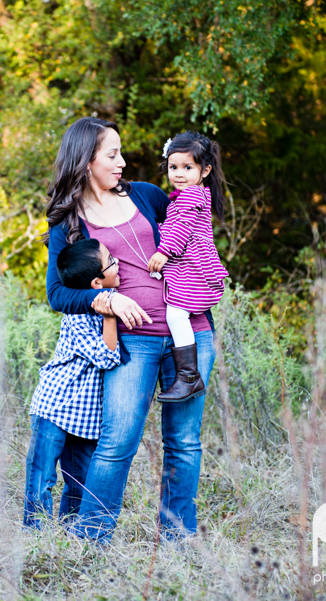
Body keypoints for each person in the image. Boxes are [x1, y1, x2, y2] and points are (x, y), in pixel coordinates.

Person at [44, 116, 217, 542]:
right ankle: (90, 539)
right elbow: (57, 294)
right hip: (132, 342)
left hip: (190, 334)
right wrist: (107, 299)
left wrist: (202, 280)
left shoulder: (150, 196)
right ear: (86, 161)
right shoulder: (68, 223)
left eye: (120, 152)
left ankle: (179, 540)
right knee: (118, 442)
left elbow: (192, 233)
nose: (122, 161)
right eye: (112, 154)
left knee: (185, 442)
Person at [24, 238, 121, 529]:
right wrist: (110, 317)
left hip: (86, 417)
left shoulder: (112, 295)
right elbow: (107, 357)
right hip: (55, 407)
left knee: (79, 483)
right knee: (42, 476)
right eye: (111, 262)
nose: (118, 263)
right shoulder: (77, 316)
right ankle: (35, 536)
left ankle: (69, 539)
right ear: (96, 283)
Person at [146, 132, 229, 402]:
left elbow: (180, 229)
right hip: (190, 266)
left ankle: (188, 377)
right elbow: (174, 224)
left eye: (187, 167)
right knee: (177, 313)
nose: (179, 173)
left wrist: (163, 252)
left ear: (205, 170)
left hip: (193, 269)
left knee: (176, 315)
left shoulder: (192, 195)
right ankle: (187, 376)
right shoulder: (185, 196)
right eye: (173, 167)